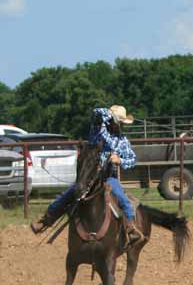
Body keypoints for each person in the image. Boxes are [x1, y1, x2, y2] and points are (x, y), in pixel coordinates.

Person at [30, 105, 143, 247]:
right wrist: (110, 114)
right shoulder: (98, 131)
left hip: (108, 177)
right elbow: (96, 111)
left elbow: (132, 160)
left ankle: (130, 228)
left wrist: (120, 160)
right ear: (111, 121)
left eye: (121, 123)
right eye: (118, 122)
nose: (119, 126)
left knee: (122, 199)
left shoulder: (123, 141)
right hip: (89, 174)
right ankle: (46, 220)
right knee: (68, 194)